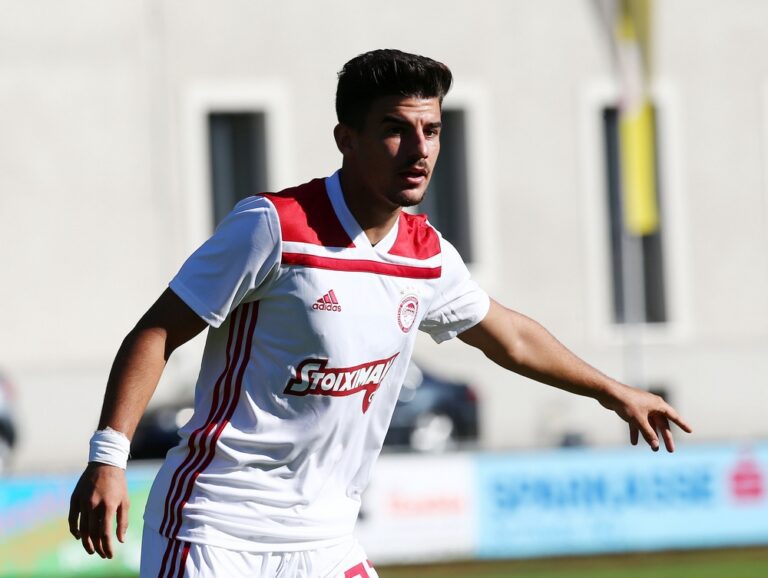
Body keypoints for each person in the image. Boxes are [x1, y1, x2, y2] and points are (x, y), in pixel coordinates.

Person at [68, 49, 692, 578]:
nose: (420, 150)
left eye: (433, 130)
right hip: (216, 531)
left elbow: (512, 338)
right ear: (347, 139)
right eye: (397, 129)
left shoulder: (427, 255)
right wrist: (108, 457)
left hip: (328, 540)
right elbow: (156, 331)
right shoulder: (274, 227)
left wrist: (614, 391)